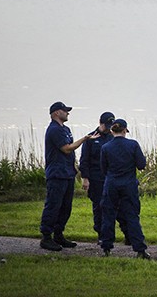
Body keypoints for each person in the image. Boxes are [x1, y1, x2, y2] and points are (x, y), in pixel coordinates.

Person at [40, 101, 99, 252]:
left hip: (67, 173)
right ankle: (46, 236)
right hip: (57, 173)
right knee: (53, 205)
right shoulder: (54, 130)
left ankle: (58, 234)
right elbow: (66, 149)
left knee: (66, 207)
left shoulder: (65, 129)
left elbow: (70, 152)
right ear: (56, 113)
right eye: (64, 110)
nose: (67, 113)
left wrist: (75, 168)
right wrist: (85, 138)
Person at [99, 118, 150, 259]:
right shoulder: (133, 145)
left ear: (111, 131)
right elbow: (141, 164)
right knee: (132, 216)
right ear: (124, 130)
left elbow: (103, 169)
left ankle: (106, 247)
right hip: (128, 184)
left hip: (111, 184)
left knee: (108, 216)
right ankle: (140, 249)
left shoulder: (106, 147)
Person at [79, 111, 128, 243]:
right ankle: (101, 234)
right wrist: (85, 178)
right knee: (99, 207)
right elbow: (84, 160)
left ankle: (127, 233)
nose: (108, 128)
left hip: (112, 177)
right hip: (96, 178)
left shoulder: (113, 137)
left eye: (111, 125)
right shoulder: (91, 138)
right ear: (100, 123)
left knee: (120, 206)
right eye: (106, 125)